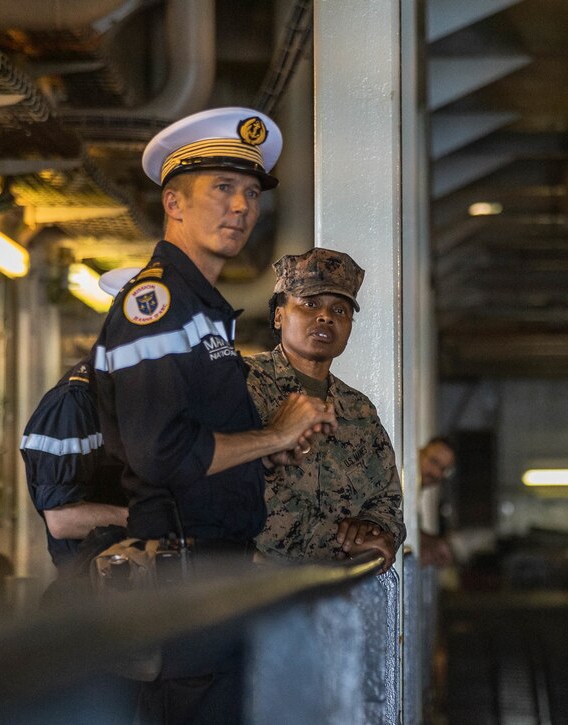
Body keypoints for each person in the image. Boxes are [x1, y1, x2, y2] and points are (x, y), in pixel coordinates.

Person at [92, 107, 335, 724]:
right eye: (222, 189)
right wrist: (271, 433)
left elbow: (194, 440)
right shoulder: (160, 303)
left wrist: (269, 448)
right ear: (173, 202)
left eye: (251, 193)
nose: (241, 208)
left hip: (209, 572)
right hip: (178, 578)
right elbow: (161, 453)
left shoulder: (205, 311)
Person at [245, 248, 405, 573]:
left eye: (341, 310)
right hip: (258, 588)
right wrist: (343, 542)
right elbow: (250, 496)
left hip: (338, 597)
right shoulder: (246, 384)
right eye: (310, 304)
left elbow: (388, 501)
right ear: (278, 315)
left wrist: (374, 529)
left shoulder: (358, 409)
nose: (326, 317)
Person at [20, 357, 128, 579]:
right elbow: (63, 520)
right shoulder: (74, 402)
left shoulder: (138, 390)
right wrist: (148, 517)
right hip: (93, 581)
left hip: (137, 573)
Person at [418, 437, 456, 567]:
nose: (437, 473)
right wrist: (433, 542)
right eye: (433, 462)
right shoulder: (396, 481)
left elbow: (403, 526)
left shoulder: (414, 491)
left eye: (443, 469)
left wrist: (433, 542)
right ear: (419, 453)